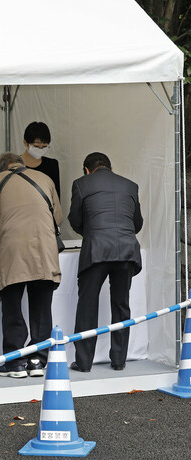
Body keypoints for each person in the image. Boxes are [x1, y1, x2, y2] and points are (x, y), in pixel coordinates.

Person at [0, 153, 63, 378]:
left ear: (2, 168)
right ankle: (38, 360)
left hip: (13, 250)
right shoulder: (45, 178)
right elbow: (57, 217)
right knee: (41, 307)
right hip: (44, 250)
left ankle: (15, 362)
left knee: (12, 307)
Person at [69, 152, 143, 372]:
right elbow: (137, 223)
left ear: (86, 169)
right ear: (111, 168)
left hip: (96, 250)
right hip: (127, 250)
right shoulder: (130, 185)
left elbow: (75, 220)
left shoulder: (81, 184)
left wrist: (92, 233)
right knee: (121, 305)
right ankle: (119, 361)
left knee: (87, 306)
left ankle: (83, 362)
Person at [20, 121, 61, 196]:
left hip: (45, 207)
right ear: (25, 143)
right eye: (36, 146)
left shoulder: (52, 165)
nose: (40, 149)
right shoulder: (14, 164)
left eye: (44, 146)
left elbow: (56, 196)